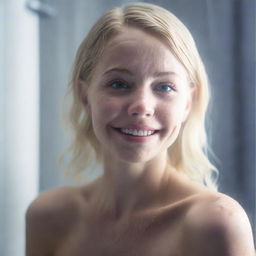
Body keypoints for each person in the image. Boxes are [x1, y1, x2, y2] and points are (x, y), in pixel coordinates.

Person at [26, 2, 255, 255]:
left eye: (164, 87)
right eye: (119, 84)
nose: (142, 106)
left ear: (187, 103)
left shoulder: (216, 222)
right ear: (85, 97)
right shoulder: (47, 216)